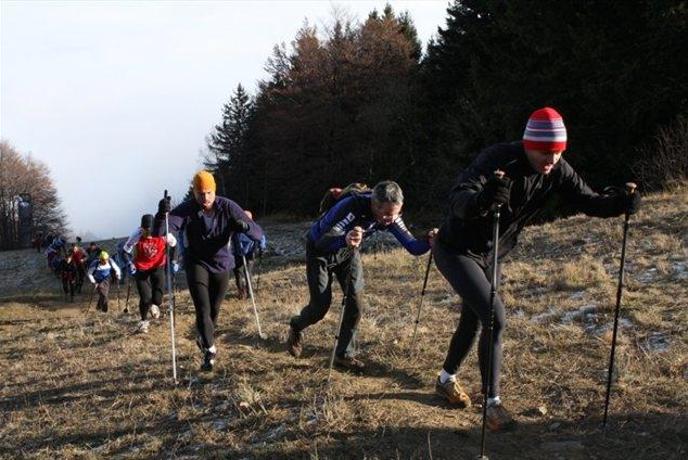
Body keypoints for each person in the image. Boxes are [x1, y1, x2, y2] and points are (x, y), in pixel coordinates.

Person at [432, 107, 641, 431]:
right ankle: (492, 404)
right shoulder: (499, 159)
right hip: (455, 249)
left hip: (493, 254)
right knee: (493, 315)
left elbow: (588, 200)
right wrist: (484, 199)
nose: (551, 161)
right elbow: (458, 198)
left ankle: (446, 379)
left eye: (558, 154)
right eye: (545, 153)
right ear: (528, 144)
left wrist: (618, 204)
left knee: (474, 319)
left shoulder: (557, 170)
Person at [286, 180, 437, 371]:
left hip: (348, 252)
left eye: (395, 213)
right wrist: (345, 238)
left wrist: (429, 240)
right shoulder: (350, 207)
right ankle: (296, 326)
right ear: (374, 205)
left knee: (356, 301)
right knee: (320, 306)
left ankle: (344, 355)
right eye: (387, 215)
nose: (391, 219)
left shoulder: (391, 215)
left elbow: (413, 247)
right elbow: (322, 242)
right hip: (320, 251)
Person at [156, 170, 263, 371]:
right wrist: (162, 215)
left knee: (214, 309)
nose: (205, 198)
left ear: (214, 191)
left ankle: (203, 336)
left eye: (209, 193)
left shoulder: (227, 206)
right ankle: (210, 350)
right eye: (200, 193)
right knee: (203, 308)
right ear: (194, 193)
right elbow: (164, 229)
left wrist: (245, 227)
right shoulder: (188, 208)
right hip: (196, 262)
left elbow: (257, 232)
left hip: (222, 263)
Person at [123, 213, 177, 333]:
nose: (147, 233)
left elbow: (174, 245)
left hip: (158, 266)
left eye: (149, 230)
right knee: (145, 297)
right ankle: (143, 321)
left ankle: (154, 305)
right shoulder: (136, 234)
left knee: (158, 299)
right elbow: (125, 251)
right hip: (141, 268)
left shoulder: (163, 232)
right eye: (145, 230)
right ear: (141, 228)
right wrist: (129, 264)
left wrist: (173, 260)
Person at [231, 210, 267, 299]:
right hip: (238, 254)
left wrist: (262, 248)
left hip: (250, 254)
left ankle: (249, 292)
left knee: (247, 273)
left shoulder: (254, 227)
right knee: (238, 274)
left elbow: (261, 238)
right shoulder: (236, 227)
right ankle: (242, 292)